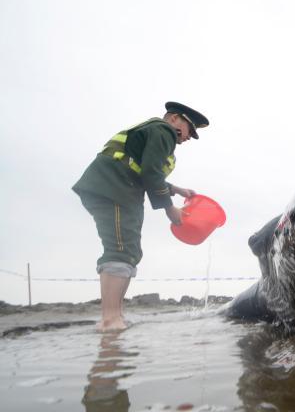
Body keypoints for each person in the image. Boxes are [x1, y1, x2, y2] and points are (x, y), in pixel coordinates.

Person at [73, 102, 209, 331]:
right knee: (120, 249)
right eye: (189, 129)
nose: (188, 137)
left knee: (130, 252)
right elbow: (151, 171)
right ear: (175, 118)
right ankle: (109, 320)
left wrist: (176, 189)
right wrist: (170, 208)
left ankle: (116, 316)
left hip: (119, 188)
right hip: (113, 188)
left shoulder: (155, 132)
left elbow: (141, 166)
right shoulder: (163, 130)